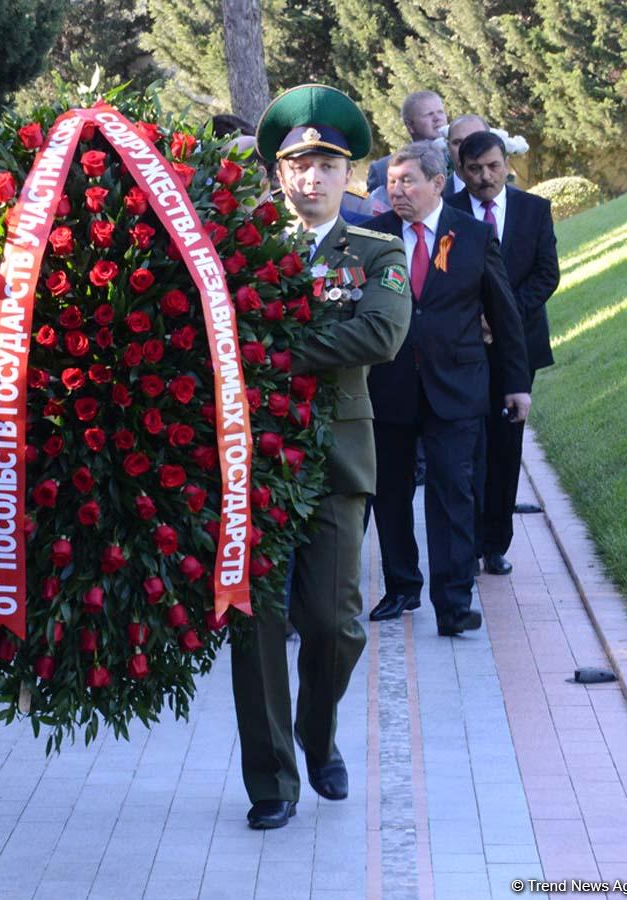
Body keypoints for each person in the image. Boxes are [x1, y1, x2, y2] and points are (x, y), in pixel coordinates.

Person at [233, 85, 412, 831]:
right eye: (299, 165)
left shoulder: (376, 250)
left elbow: (380, 336)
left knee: (335, 624)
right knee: (255, 624)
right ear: (279, 174)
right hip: (252, 463)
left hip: (335, 460)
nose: (312, 178)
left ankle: (316, 732)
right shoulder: (241, 252)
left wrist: (272, 350)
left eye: (327, 166)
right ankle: (271, 781)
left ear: (349, 176)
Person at [365, 142, 531, 634]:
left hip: (456, 387)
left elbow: (504, 313)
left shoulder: (473, 235)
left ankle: (454, 603)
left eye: (408, 181)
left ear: (438, 183)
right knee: (390, 493)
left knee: (453, 493)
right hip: (390, 386)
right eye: (392, 183)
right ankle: (401, 586)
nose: (397, 191)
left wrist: (516, 384)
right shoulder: (373, 237)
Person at [446, 130, 559, 574]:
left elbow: (546, 274)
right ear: (460, 171)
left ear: (506, 164)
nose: (485, 177)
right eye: (474, 169)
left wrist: (502, 316)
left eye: (493, 166)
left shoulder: (534, 210)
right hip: (464, 345)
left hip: (518, 348)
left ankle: (495, 542)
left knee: (506, 444)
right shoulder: (448, 212)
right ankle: (467, 541)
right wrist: (475, 317)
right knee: (466, 443)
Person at [366, 90, 449, 195]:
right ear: (410, 126)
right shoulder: (382, 170)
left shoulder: (461, 160)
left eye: (440, 112)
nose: (437, 118)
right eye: (429, 114)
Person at [443, 115, 488, 195]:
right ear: (448, 148)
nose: (466, 148)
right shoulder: (433, 196)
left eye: (476, 141)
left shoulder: (512, 198)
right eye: (457, 142)